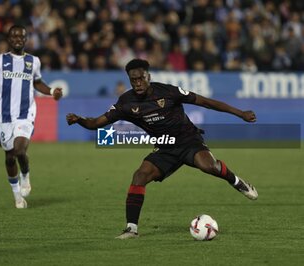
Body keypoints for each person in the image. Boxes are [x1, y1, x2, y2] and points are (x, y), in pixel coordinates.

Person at [66, 58, 258, 239]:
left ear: (148, 76)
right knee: (140, 176)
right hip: (166, 147)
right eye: (134, 80)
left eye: (141, 78)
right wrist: (79, 120)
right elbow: (96, 123)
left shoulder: (168, 92)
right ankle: (131, 229)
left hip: (188, 140)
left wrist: (240, 113)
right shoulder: (126, 102)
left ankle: (236, 181)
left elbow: (206, 102)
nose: (138, 83)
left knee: (209, 166)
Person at [0, 25, 63, 209]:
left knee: (20, 150)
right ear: (9, 39)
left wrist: (51, 91)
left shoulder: (34, 61)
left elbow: (37, 82)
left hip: (25, 113)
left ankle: (25, 175)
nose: (17, 39)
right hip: (4, 116)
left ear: (25, 39)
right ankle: (17, 196)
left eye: (21, 36)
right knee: (9, 158)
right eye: (14, 36)